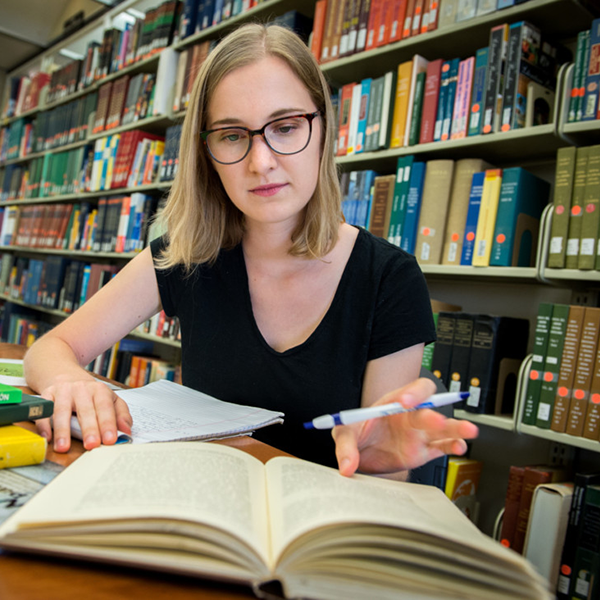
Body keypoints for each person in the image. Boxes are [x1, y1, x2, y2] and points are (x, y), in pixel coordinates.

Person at [24, 22, 478, 478]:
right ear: (206, 151)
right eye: (232, 135)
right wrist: (70, 380)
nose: (261, 162)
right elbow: (51, 348)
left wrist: (377, 462)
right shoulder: (185, 257)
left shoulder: (389, 278)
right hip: (201, 510)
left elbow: (387, 472)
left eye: (284, 127)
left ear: (323, 129)